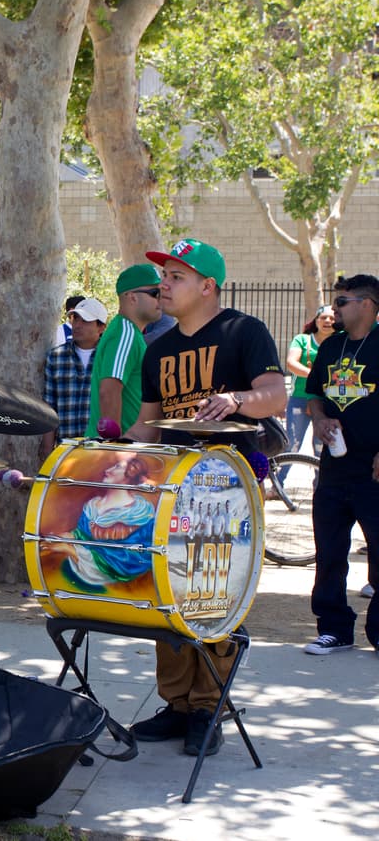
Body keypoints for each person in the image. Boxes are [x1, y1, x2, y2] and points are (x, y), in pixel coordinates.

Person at [126, 238, 286, 757]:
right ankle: (177, 705)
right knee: (166, 594)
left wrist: (236, 398)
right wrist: (111, 449)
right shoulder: (158, 349)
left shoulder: (244, 331)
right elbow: (148, 424)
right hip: (171, 490)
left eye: (176, 277)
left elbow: (275, 395)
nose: (163, 285)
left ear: (207, 286)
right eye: (163, 277)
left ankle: (208, 709)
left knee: (215, 594)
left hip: (228, 490)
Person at [302, 274, 379, 656]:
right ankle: (334, 629)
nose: (334, 311)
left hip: (373, 470)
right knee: (329, 551)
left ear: (367, 304)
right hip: (334, 466)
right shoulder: (331, 346)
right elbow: (314, 395)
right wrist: (319, 419)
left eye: (342, 302)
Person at [85, 265, 162, 439]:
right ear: (132, 297)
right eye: (155, 293)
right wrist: (114, 445)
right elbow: (109, 391)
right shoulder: (125, 333)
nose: (161, 299)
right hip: (117, 447)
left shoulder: (127, 331)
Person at [62, 454, 159, 591]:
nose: (108, 470)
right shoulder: (92, 506)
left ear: (130, 474)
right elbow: (81, 536)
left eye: (117, 467)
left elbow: (126, 564)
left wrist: (71, 550)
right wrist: (67, 539)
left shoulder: (140, 515)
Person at [41, 297, 108, 455]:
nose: (77, 325)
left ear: (101, 327)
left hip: (102, 450)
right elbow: (49, 408)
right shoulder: (56, 357)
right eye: (75, 318)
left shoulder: (110, 358)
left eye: (85, 320)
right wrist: (47, 448)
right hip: (66, 449)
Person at [283, 304, 336, 461]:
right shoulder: (302, 340)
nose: (328, 321)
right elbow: (291, 363)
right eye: (323, 317)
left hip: (328, 402)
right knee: (291, 445)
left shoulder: (341, 341)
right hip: (300, 398)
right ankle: (278, 476)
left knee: (323, 447)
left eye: (332, 318)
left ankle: (321, 477)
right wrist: (316, 377)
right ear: (316, 321)